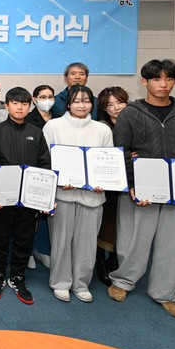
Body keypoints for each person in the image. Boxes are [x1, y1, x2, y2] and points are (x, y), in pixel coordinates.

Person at [108, 59, 175, 319]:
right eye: (156, 79)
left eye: (169, 79)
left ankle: (165, 293)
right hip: (142, 187)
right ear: (145, 81)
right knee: (134, 239)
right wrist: (131, 185)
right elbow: (121, 152)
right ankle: (123, 281)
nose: (163, 84)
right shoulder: (130, 113)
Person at [43, 85, 113, 303]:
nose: (82, 105)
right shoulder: (53, 126)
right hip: (62, 195)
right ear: (68, 103)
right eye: (76, 101)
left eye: (86, 101)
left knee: (87, 243)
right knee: (61, 241)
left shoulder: (102, 130)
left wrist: (104, 182)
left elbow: (108, 163)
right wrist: (58, 180)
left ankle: (81, 283)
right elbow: (45, 160)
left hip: (93, 197)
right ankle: (60, 282)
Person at [0, 87, 51, 305]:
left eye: (24, 104)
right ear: (7, 106)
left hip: (29, 197)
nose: (20, 107)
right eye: (15, 103)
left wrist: (44, 196)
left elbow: (44, 164)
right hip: (3, 197)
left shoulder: (36, 132)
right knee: (0, 238)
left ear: (29, 106)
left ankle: (18, 277)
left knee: (25, 239)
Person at [95, 86, 130, 285]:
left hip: (129, 182)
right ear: (104, 108)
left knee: (123, 224)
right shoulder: (101, 128)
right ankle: (101, 261)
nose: (116, 108)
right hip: (107, 185)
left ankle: (116, 260)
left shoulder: (135, 123)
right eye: (110, 105)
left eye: (120, 102)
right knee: (105, 223)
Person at [25, 84, 56, 269]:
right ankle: (28, 252)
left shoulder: (58, 119)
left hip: (54, 171)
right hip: (34, 171)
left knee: (46, 214)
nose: (47, 100)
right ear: (34, 99)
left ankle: (43, 250)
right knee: (30, 216)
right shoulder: (28, 120)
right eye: (42, 97)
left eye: (50, 96)